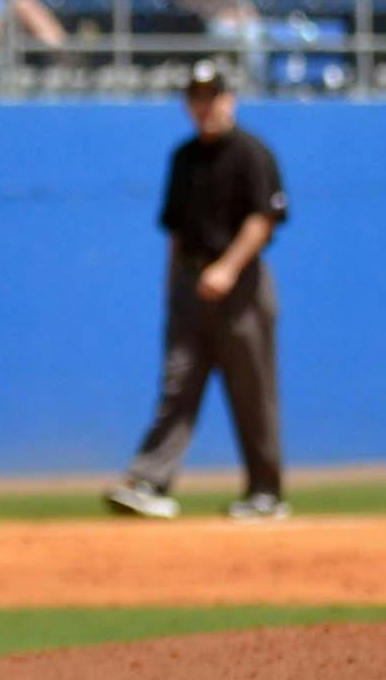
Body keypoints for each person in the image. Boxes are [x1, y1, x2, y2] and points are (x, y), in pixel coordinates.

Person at [105, 62, 289, 523]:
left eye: (213, 96)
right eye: (197, 98)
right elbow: (175, 231)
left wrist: (227, 269)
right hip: (190, 285)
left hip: (240, 285)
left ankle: (266, 491)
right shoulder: (184, 157)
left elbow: (263, 220)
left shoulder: (251, 153)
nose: (205, 106)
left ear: (230, 100)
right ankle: (150, 481)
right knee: (177, 384)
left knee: (252, 390)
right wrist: (172, 290)